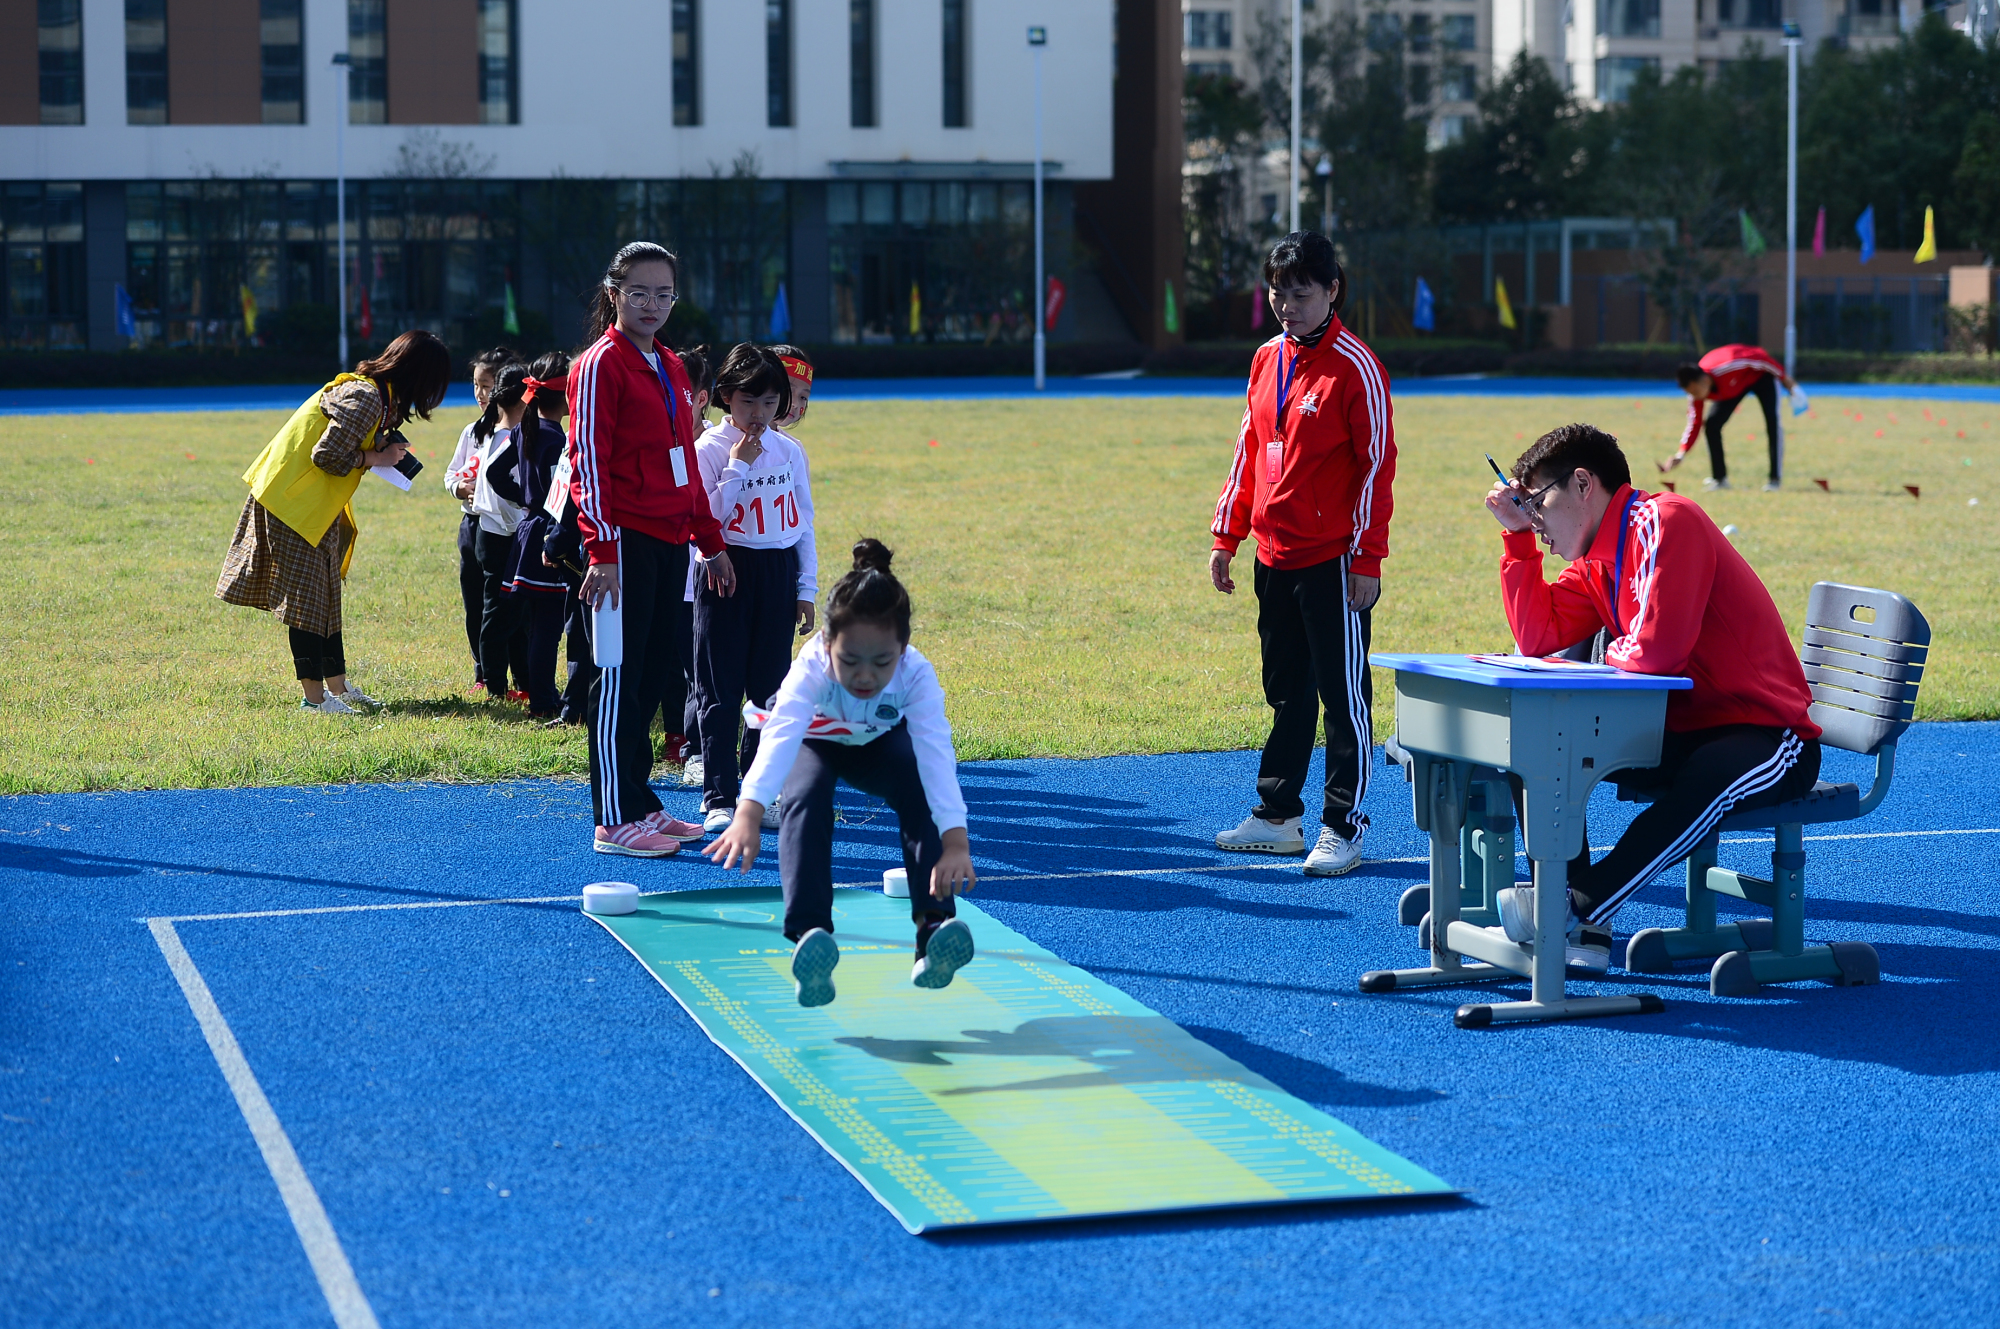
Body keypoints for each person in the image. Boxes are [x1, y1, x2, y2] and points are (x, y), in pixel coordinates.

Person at [1483, 423, 1822, 970]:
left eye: (1537, 502)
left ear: (1584, 483)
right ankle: (1580, 934)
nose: (1535, 518)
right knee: (1540, 742)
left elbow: (1657, 654)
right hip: (1681, 729)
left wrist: (1604, 654)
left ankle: (1575, 907)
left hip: (1768, 735)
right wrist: (1518, 539)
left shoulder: (1666, 520)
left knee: (1707, 780)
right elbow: (1538, 637)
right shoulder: (1595, 559)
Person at [706, 539, 977, 1008]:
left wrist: (956, 841)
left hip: (877, 743)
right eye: (850, 661)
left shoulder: (917, 675)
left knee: (918, 784)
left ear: (904, 649)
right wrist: (747, 811)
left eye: (882, 662)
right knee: (806, 798)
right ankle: (811, 936)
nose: (866, 677)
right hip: (818, 741)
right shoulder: (811, 666)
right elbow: (783, 733)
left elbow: (936, 757)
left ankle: (933, 930)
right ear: (827, 643)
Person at [1208, 231, 1397, 877]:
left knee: (1345, 698)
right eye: (1279, 291)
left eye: (1302, 291)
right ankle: (1277, 814)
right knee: (1287, 690)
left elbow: (1377, 467)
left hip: (1334, 560)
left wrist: (1368, 558)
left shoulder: (1357, 365)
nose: (1288, 304)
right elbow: (1250, 449)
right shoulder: (1267, 358)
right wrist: (1227, 535)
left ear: (1333, 290)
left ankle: (1344, 824)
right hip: (1274, 553)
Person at [569, 240, 732, 857]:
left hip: (669, 546)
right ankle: (612, 818)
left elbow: (683, 461)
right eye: (639, 292)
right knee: (616, 680)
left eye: (664, 293)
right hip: (623, 547)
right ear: (614, 294)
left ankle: (639, 801)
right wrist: (602, 551)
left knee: (648, 677)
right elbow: (590, 463)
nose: (653, 304)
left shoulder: (668, 364)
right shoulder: (600, 364)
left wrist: (709, 542)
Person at [218, 330, 451, 713]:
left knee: (325, 598)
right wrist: (379, 458)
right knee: (308, 602)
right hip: (290, 502)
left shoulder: (376, 395)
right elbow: (326, 456)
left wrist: (377, 449)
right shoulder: (366, 397)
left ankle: (338, 688)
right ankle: (314, 700)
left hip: (311, 504)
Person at [690, 344, 819, 834]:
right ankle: (719, 795)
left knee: (771, 692)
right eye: (748, 403)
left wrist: (805, 587)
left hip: (777, 573)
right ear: (725, 396)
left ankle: (759, 789)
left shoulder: (790, 450)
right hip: (724, 570)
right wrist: (739, 466)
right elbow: (706, 522)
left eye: (770, 403)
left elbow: (803, 521)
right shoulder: (709, 450)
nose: (759, 415)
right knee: (720, 690)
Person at [501, 349, 575, 717]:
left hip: (528, 529)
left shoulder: (523, 429)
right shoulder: (559, 441)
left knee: (541, 628)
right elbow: (564, 495)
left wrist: (526, 500)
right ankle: (544, 701)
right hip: (551, 535)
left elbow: (495, 475)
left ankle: (542, 695)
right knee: (550, 630)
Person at [443, 346, 517, 691]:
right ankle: (483, 671)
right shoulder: (472, 432)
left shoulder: (518, 430)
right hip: (473, 528)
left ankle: (520, 673)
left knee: (510, 606)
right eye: (476, 385)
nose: (481, 394)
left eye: (487, 386)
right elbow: (451, 475)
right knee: (476, 603)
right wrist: (461, 488)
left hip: (509, 528)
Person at [467, 362, 537, 703]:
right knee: (498, 614)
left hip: (496, 533)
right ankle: (495, 684)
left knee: (515, 613)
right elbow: (499, 488)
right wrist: (527, 506)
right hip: (499, 537)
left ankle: (522, 679)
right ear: (525, 400)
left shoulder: (500, 435)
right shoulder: (507, 440)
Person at [660, 343, 715, 776]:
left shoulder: (714, 445)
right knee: (674, 662)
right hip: (670, 573)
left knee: (705, 668)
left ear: (699, 398)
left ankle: (701, 746)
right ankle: (683, 739)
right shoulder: (663, 437)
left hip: (710, 572)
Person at [1661, 344, 1798, 491]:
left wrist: (1785, 378)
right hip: (1734, 387)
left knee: (1772, 422)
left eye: (1694, 391)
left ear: (1705, 381)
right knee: (1712, 425)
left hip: (1761, 376)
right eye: (1690, 393)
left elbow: (1760, 359)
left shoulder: (1728, 366)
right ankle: (1720, 479)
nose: (1694, 396)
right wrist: (1681, 453)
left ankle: (1774, 480)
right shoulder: (1696, 392)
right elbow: (1695, 423)